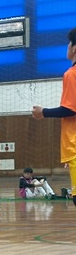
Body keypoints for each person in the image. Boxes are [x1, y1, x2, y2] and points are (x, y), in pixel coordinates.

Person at [32, 28, 76, 207]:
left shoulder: (71, 74)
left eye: (69, 43)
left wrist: (43, 112)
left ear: (74, 47)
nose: (67, 47)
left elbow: (70, 109)